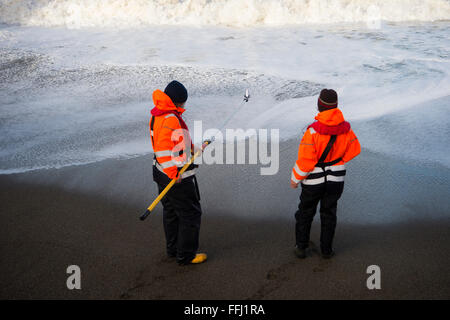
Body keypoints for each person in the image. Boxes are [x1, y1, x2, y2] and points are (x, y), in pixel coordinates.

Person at [290, 89, 361, 259]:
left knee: (305, 212)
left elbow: (306, 161)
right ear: (336, 106)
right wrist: (337, 160)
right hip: (336, 177)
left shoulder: (312, 131)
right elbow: (355, 149)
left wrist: (295, 179)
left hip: (314, 180)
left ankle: (301, 247)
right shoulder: (346, 129)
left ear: (319, 106)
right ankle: (327, 250)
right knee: (329, 212)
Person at [149, 80, 207, 265]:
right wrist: (174, 174)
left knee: (172, 212)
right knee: (190, 214)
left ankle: (173, 249)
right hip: (176, 177)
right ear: (177, 102)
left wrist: (194, 148)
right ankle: (186, 255)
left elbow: (175, 141)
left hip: (160, 171)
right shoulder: (171, 118)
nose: (184, 106)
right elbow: (164, 150)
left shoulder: (158, 114)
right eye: (182, 102)